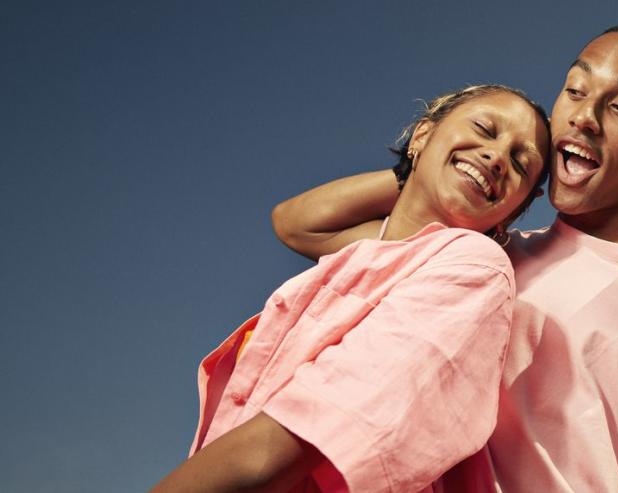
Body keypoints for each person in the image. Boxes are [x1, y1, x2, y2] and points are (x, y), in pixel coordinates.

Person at [272, 25, 618, 492]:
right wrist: (437, 165)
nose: (585, 117)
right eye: (575, 90)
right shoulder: (478, 255)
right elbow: (302, 224)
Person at [152, 84, 552, 493]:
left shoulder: (474, 266)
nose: (499, 157)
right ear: (422, 134)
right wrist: (418, 168)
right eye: (485, 129)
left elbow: (274, 452)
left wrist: (435, 163)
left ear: (516, 209)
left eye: (521, 164)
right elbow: (294, 221)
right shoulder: (375, 252)